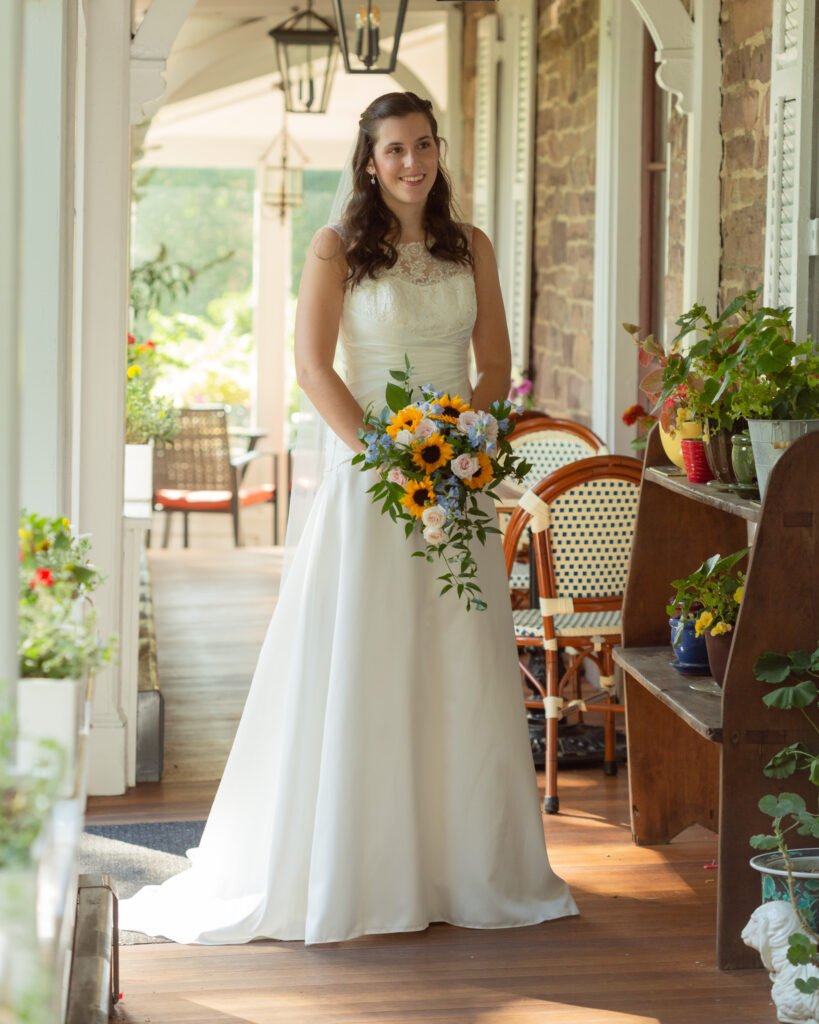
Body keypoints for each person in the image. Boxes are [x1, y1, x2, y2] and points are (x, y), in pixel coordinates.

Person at [119, 91, 577, 946]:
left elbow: (497, 362)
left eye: (424, 145)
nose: (412, 162)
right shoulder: (336, 249)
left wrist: (463, 440)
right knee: (367, 655)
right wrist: (387, 452)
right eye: (394, 149)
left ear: (439, 152)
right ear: (369, 162)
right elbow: (311, 366)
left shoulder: (469, 246)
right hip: (371, 477)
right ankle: (359, 867)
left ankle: (465, 865)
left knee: (456, 659)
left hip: (456, 481)